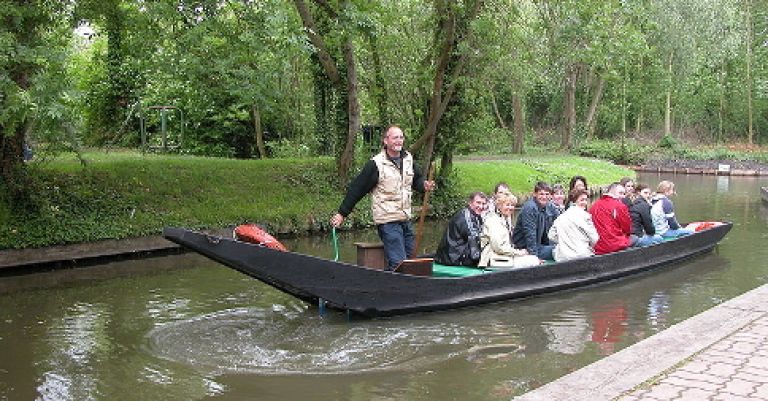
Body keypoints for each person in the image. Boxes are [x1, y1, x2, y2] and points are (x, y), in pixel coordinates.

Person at [331, 125, 436, 270]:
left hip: (405, 218)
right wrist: (342, 214)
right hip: (388, 221)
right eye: (395, 138)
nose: (399, 141)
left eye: (401, 137)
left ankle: (400, 285)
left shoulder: (408, 158)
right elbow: (357, 189)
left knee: (411, 260)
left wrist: (424, 185)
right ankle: (396, 289)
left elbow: (416, 180)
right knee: (398, 262)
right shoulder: (376, 164)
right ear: (386, 141)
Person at [479, 193, 541, 268]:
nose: (510, 208)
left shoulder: (504, 219)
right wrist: (518, 253)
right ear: (499, 206)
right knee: (533, 261)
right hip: (493, 259)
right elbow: (498, 247)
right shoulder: (493, 221)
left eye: (512, 205)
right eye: (507, 205)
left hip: (503, 256)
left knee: (533, 258)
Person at [435, 192, 487, 266]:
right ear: (470, 203)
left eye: (483, 204)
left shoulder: (475, 215)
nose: (481, 206)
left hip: (453, 254)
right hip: (453, 258)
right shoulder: (467, 218)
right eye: (478, 203)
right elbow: (475, 246)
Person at [512, 182, 560, 260]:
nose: (544, 197)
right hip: (526, 248)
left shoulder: (550, 206)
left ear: (551, 195)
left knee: (563, 248)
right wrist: (534, 257)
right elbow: (530, 234)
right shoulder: (530, 208)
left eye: (547, 194)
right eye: (541, 194)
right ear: (534, 194)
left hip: (541, 245)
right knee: (559, 251)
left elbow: (560, 221)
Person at [548, 189, 599, 262]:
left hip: (563, 257)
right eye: (582, 200)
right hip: (583, 255)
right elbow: (595, 238)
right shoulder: (585, 216)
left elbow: (551, 235)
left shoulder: (561, 217)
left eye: (586, 200)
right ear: (575, 201)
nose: (585, 202)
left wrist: (565, 241)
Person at [589, 182, 638, 254]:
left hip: (597, 246)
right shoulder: (620, 206)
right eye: (620, 193)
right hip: (614, 246)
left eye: (624, 194)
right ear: (612, 192)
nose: (623, 196)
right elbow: (627, 229)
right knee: (635, 238)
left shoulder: (594, 206)